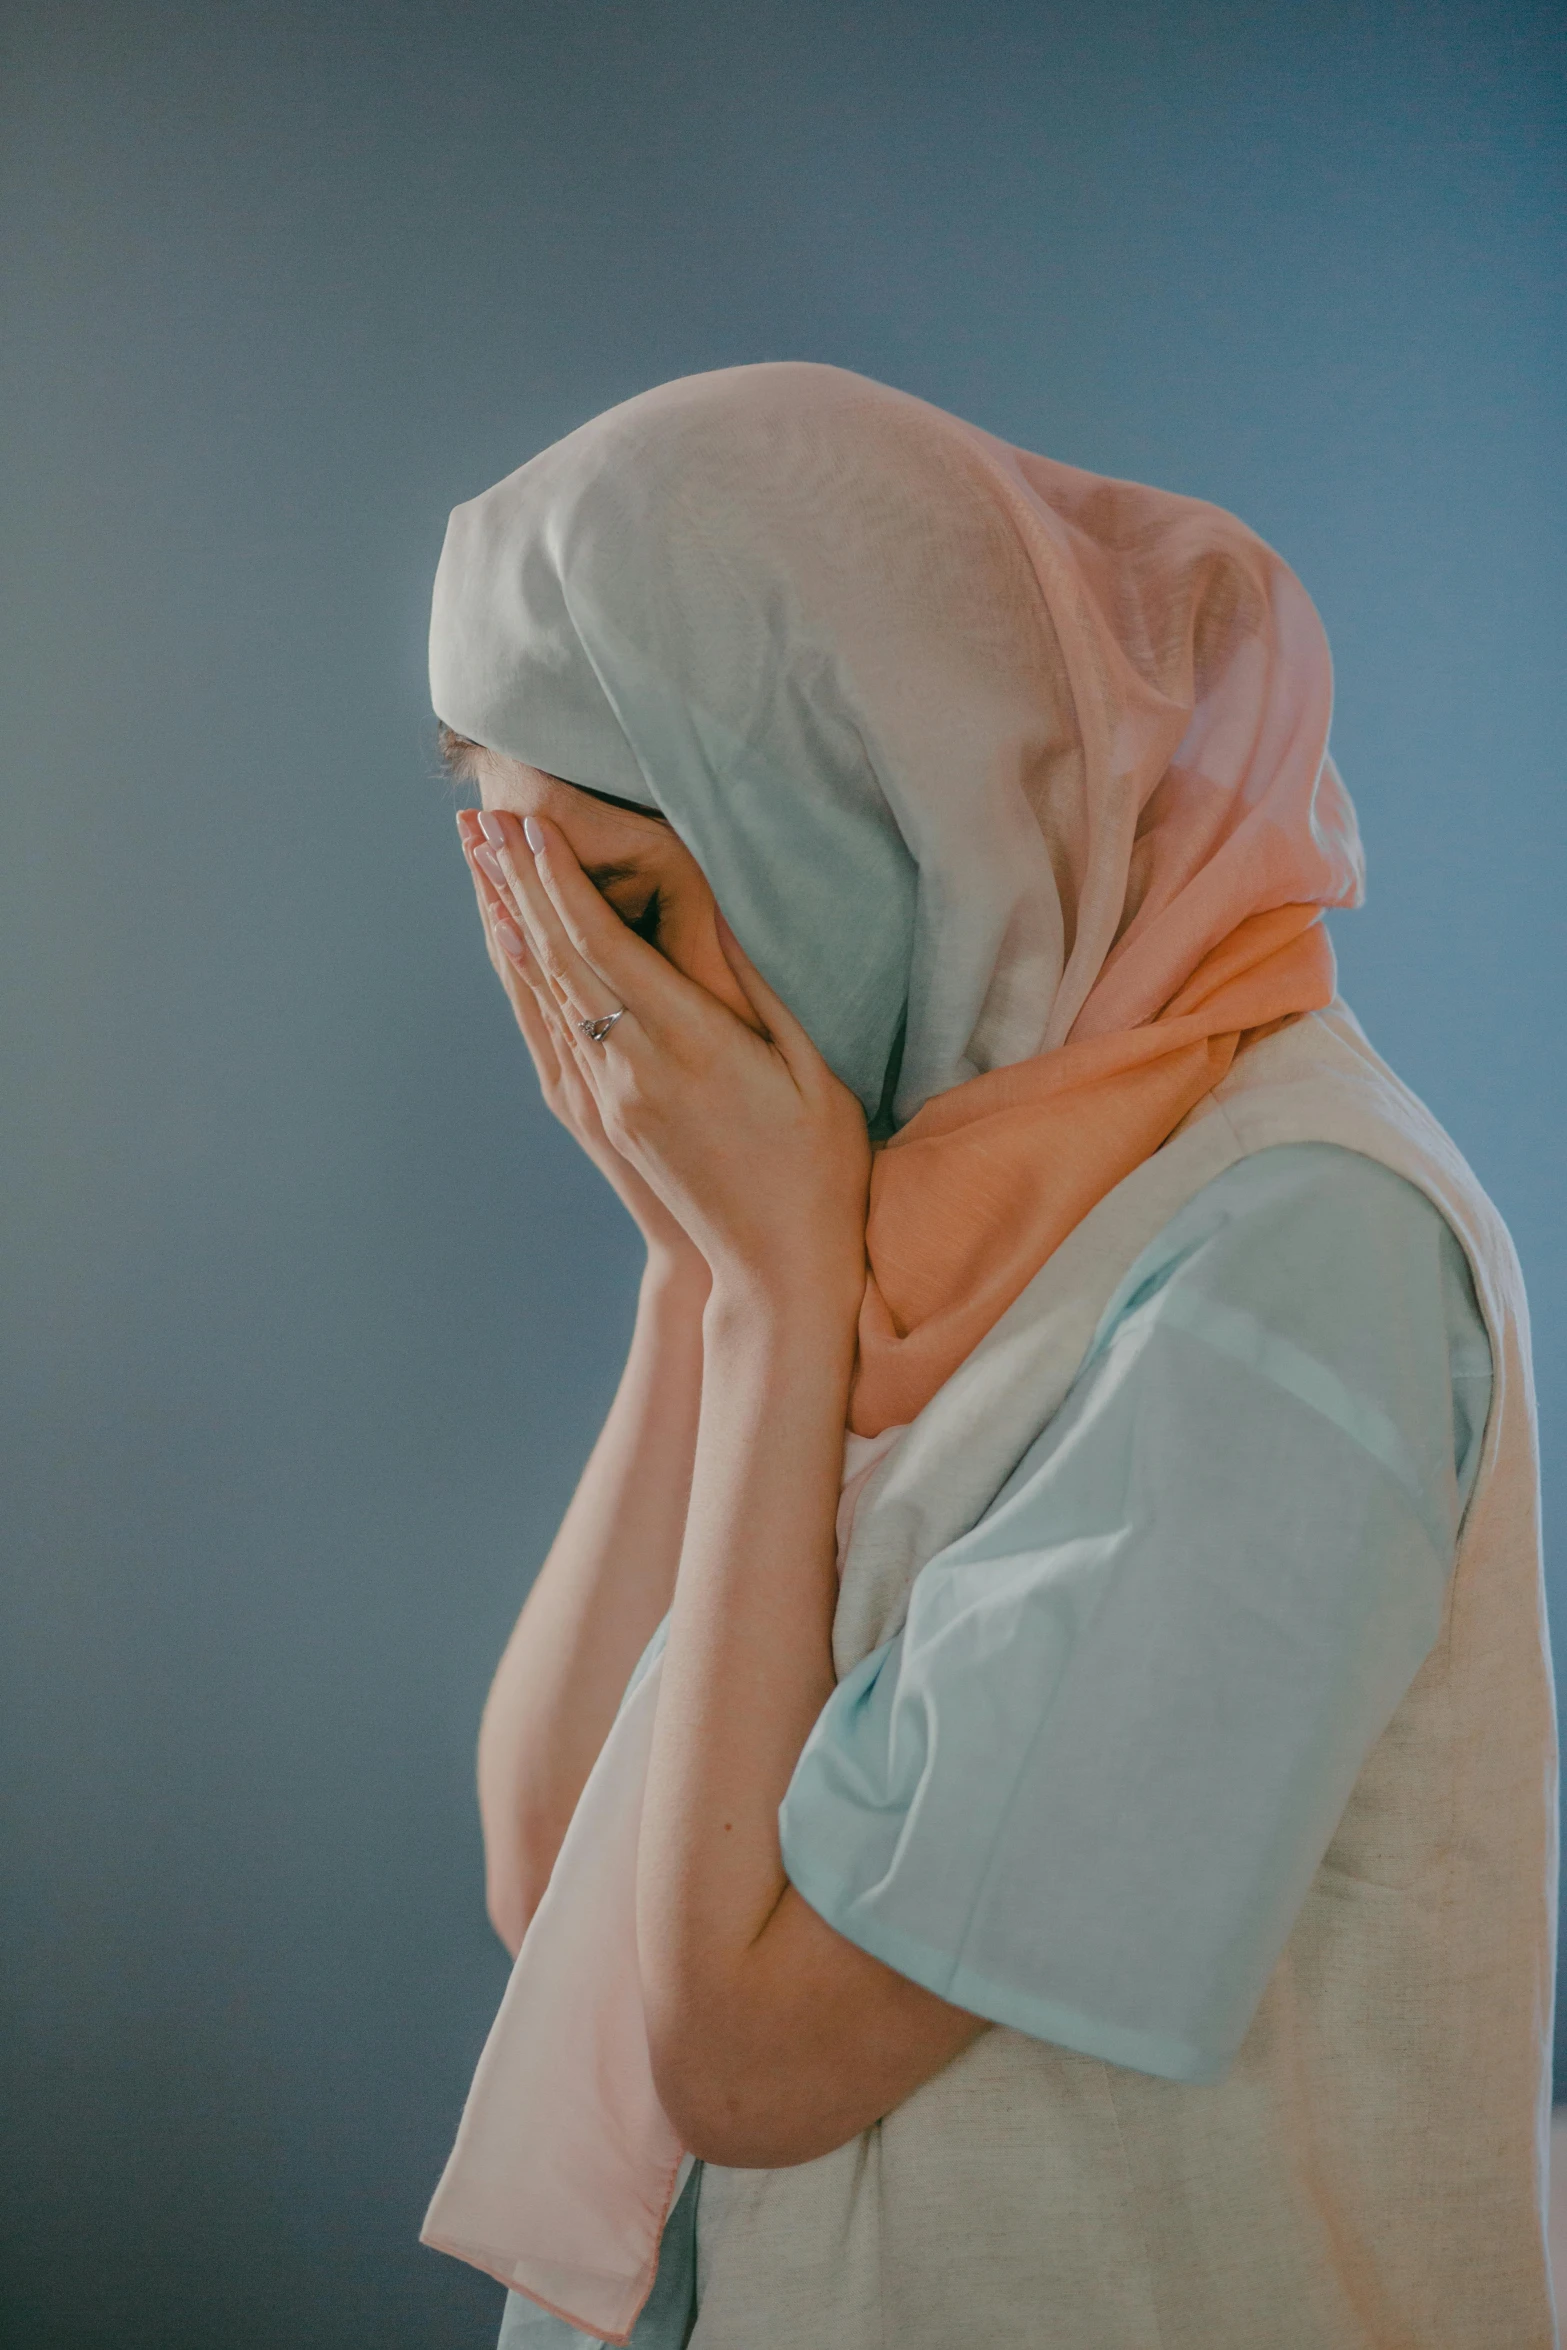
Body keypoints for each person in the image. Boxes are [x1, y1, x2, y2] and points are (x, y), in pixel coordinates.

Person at [418, 363, 1556, 2349]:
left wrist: (774, 1291)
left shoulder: (1298, 1256)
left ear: (853, 804)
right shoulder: (912, 1183)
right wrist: (700, 1267)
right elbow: (547, 1876)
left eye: (619, 909)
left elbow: (750, 2053)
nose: (601, 1018)